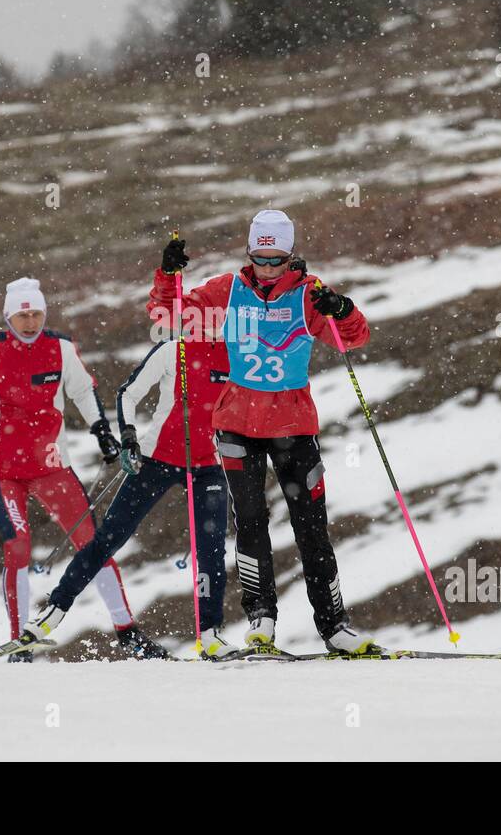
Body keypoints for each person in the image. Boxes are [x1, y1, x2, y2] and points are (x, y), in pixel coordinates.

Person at [147, 210, 379, 655]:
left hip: (293, 427)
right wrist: (168, 275)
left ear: (290, 256)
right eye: (260, 258)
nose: (268, 268)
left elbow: (354, 338)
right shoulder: (226, 290)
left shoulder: (311, 295)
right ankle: (261, 620)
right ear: (249, 254)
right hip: (237, 425)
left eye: (276, 259)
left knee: (311, 528)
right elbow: (167, 317)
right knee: (251, 523)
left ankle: (334, 626)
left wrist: (343, 309)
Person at [0, 277, 159, 661]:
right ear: (9, 317)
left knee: (94, 545)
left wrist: (101, 431)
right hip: (4, 472)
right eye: (22, 314)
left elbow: (82, 391)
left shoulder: (60, 348)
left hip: (53, 466)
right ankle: (19, 645)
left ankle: (128, 631)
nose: (30, 321)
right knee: (18, 548)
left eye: (36, 312)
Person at [21, 322, 239, 660]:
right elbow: (129, 392)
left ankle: (209, 635)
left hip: (206, 464)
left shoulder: (239, 356)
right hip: (156, 459)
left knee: (211, 549)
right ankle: (53, 611)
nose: (216, 329)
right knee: (109, 537)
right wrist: (130, 437)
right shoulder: (174, 350)